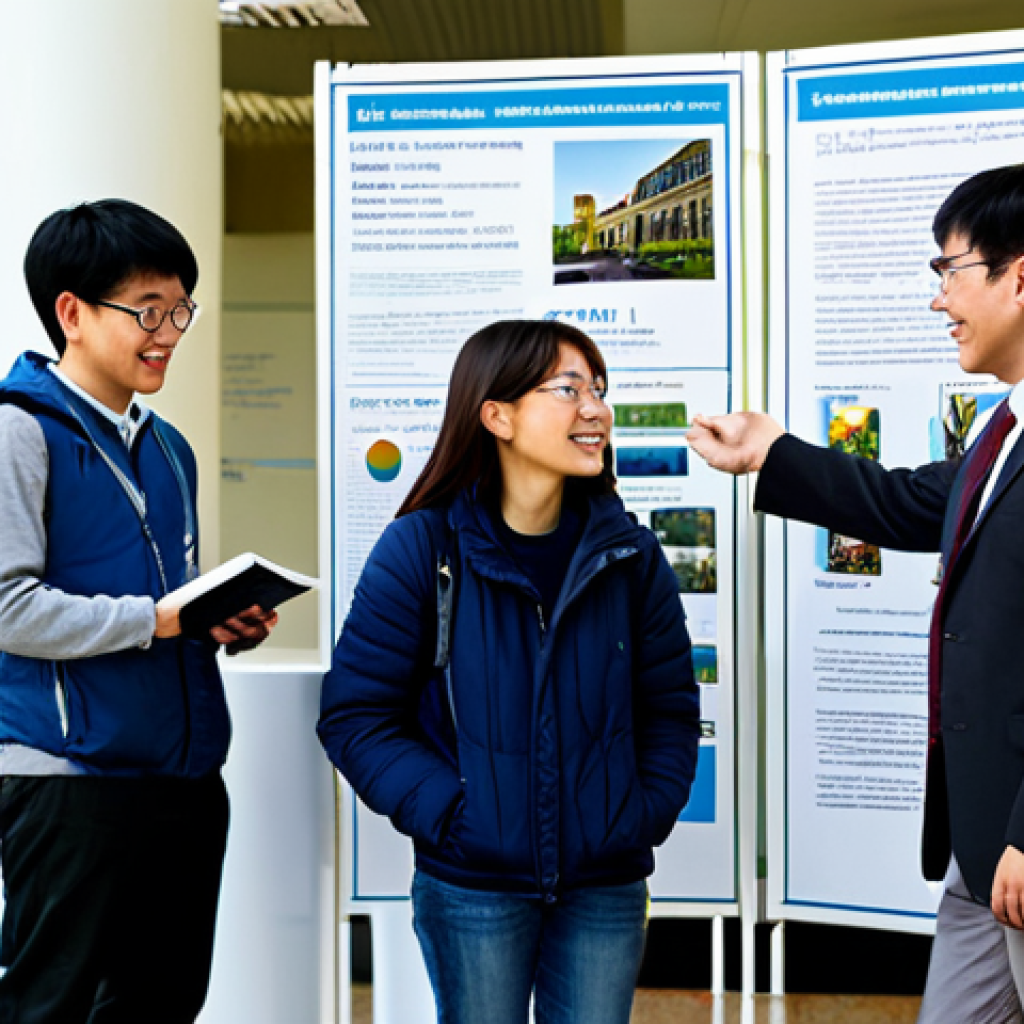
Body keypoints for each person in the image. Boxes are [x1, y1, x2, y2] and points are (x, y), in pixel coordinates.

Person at [688, 163, 1024, 1022]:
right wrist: (772, 453)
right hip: (981, 840)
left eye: (950, 269)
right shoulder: (1006, 428)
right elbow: (914, 502)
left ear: (1019, 276)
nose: (939, 299)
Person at [318, 320, 700, 1024]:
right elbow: (356, 716)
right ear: (497, 416)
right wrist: (452, 813)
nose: (596, 409)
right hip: (472, 886)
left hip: (605, 884)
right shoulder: (422, 548)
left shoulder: (631, 556)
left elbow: (671, 709)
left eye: (599, 390)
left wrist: (638, 814)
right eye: (569, 390)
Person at [0, 199, 278, 1023]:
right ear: (72, 313)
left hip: (182, 779)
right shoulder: (18, 433)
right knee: (49, 1008)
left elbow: (165, 604)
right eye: (147, 311)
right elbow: (8, 607)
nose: (168, 334)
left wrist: (215, 623)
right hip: (69, 779)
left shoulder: (168, 446)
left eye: (181, 310)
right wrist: (154, 620)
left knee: (161, 1004)